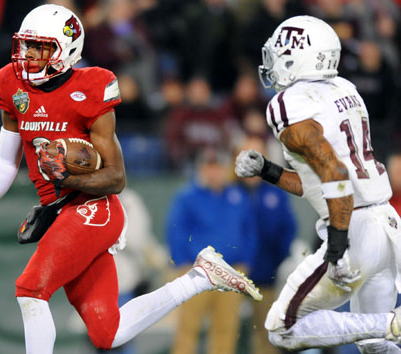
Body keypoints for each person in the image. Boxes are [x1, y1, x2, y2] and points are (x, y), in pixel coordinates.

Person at [0, 4, 261, 353]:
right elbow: (7, 163)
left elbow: (117, 177)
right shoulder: (11, 83)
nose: (27, 55)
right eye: (26, 45)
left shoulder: (91, 86)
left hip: (94, 209)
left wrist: (68, 180)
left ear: (66, 49)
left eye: (39, 47)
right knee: (108, 334)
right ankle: (199, 278)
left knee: (30, 288)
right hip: (59, 213)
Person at [235, 15, 401, 353]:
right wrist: (268, 170)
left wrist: (337, 248)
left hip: (352, 231)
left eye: (280, 54)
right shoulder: (345, 89)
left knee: (281, 329)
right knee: (377, 348)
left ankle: (391, 323)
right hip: (385, 226)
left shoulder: (288, 103)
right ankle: (388, 327)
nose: (272, 63)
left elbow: (335, 175)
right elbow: (319, 182)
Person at [167, 146, 258, 354]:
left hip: (230, 271)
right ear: (200, 169)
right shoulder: (187, 197)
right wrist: (182, 264)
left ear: (226, 169)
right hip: (196, 272)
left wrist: (246, 262)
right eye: (209, 167)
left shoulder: (238, 196)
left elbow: (249, 231)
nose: (213, 172)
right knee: (188, 328)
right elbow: (175, 231)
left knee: (226, 330)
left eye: (217, 167)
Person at [235, 135, 297, 354]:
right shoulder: (227, 191)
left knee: (266, 335)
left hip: (265, 276)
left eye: (256, 155)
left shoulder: (275, 192)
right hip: (229, 277)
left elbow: (287, 229)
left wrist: (274, 263)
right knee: (226, 332)